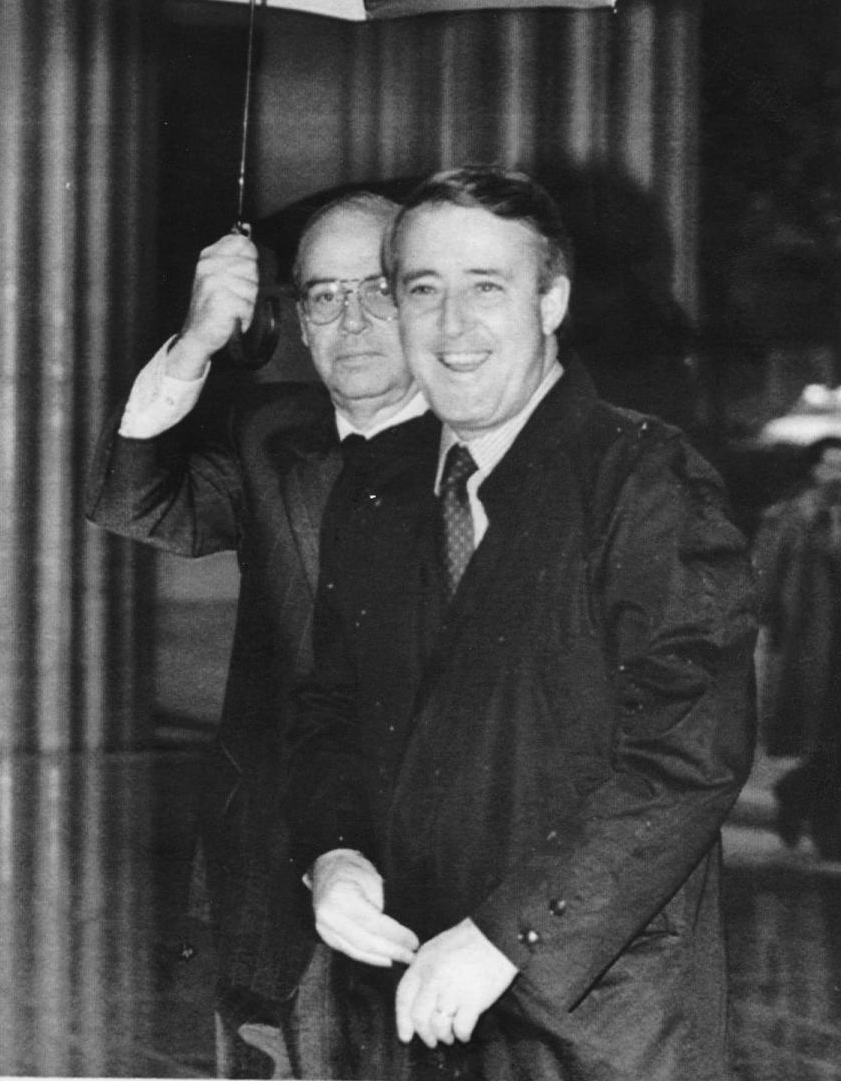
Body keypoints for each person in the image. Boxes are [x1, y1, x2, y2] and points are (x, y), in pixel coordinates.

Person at [287, 166, 758, 1081]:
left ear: (552, 302)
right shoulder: (376, 488)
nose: (452, 327)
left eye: (486, 289)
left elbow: (687, 756)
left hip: (590, 1021)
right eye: (421, 290)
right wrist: (331, 852)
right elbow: (327, 716)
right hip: (397, 1010)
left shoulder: (643, 480)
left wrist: (509, 935)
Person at [86, 192, 434, 1078]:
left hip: (435, 860)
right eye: (323, 296)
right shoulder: (271, 433)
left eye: (380, 290)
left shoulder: (490, 446)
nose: (351, 320)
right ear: (296, 322)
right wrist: (198, 341)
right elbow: (135, 502)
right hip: (269, 854)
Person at [754, 435, 841, 859]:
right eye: (830, 466)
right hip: (810, 646)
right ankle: (827, 827)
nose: (837, 475)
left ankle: (796, 794)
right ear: (813, 470)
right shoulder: (790, 517)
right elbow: (765, 580)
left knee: (831, 741)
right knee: (823, 738)